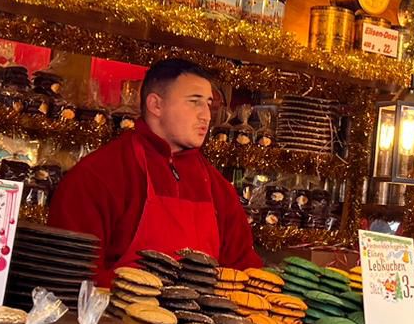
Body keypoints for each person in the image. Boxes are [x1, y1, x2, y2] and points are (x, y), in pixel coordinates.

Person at [50, 58, 261, 283]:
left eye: (208, 104)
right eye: (194, 102)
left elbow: (243, 273)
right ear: (155, 105)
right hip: (115, 317)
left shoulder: (219, 189)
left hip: (201, 318)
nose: (206, 116)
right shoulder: (99, 176)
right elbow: (70, 276)